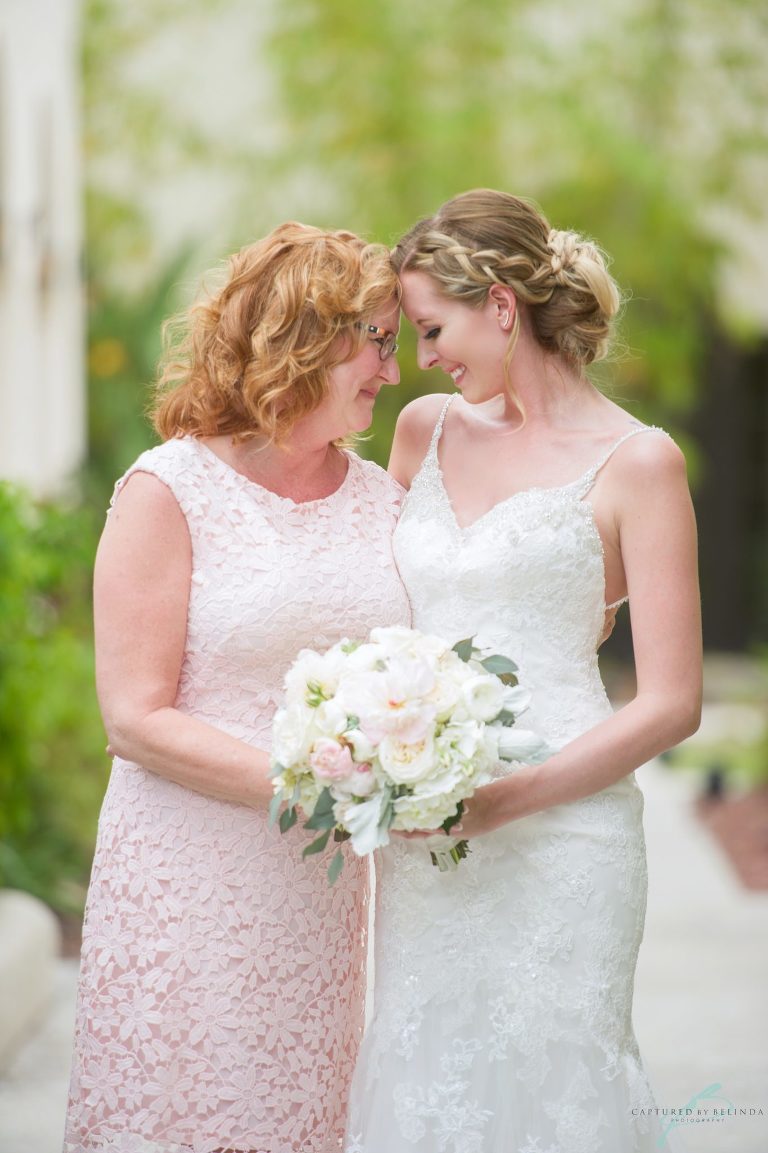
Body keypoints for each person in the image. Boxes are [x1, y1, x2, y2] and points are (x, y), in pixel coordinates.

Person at [345, 190, 702, 1153]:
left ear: (500, 304)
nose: (423, 359)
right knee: (430, 1076)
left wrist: (509, 798)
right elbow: (372, 612)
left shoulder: (640, 463)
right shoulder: (424, 431)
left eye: (432, 328)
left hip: (567, 835)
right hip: (428, 833)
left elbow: (673, 703)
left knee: (556, 1085)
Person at [63, 222, 411, 1153]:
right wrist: (321, 786)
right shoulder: (170, 489)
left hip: (317, 893)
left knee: (298, 1116)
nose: (392, 367)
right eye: (376, 339)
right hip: (188, 872)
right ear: (306, 336)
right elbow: (134, 718)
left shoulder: (385, 499)